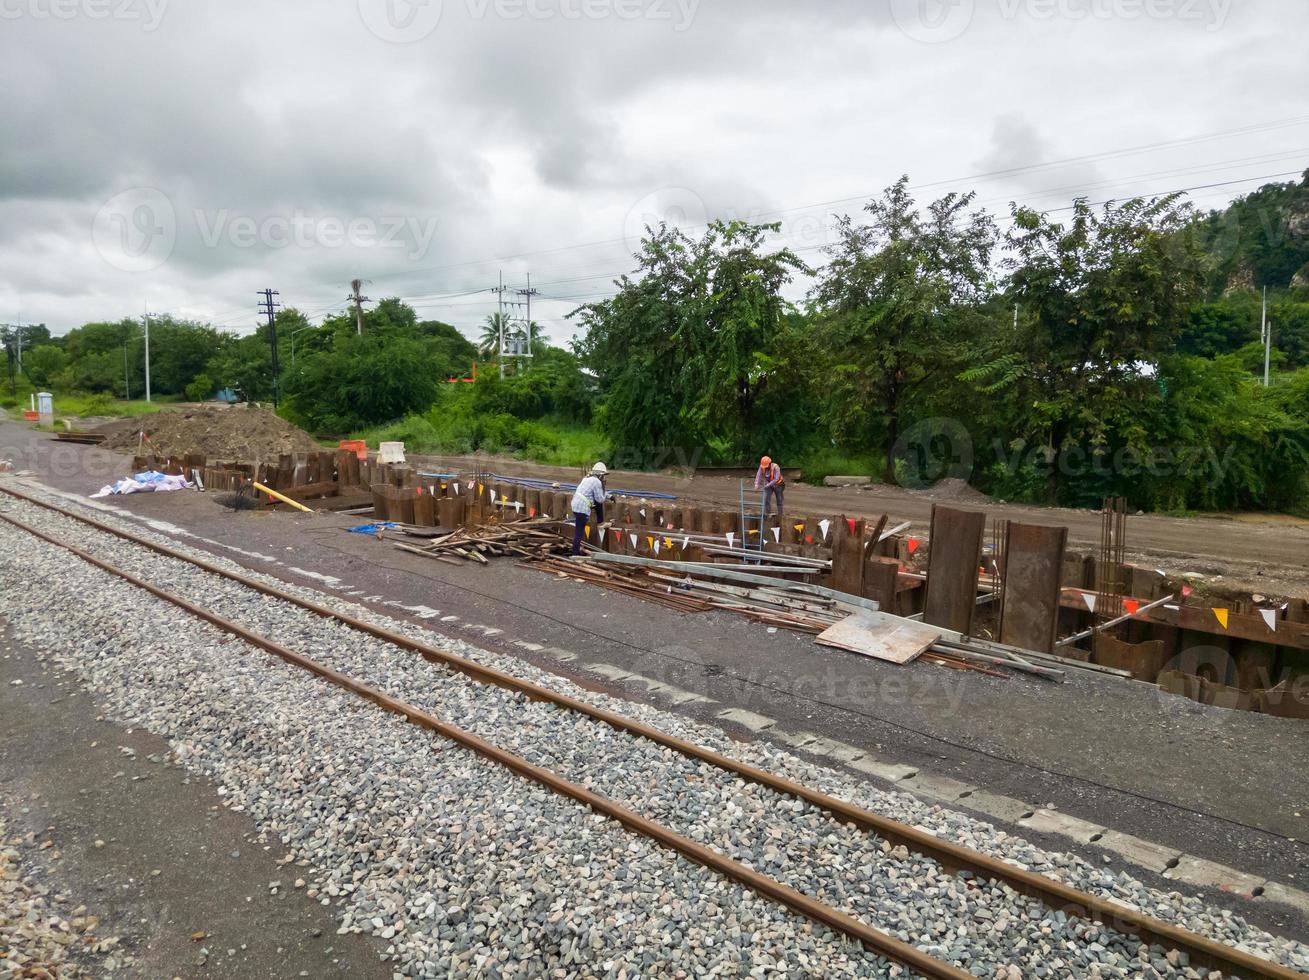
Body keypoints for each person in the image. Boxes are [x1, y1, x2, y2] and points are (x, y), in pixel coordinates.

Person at [571, 462, 608, 555]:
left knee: (578, 529)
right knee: (579, 532)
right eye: (603, 476)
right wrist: (604, 488)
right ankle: (575, 553)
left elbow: (593, 493)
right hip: (582, 508)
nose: (604, 478)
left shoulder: (586, 478)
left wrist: (609, 496)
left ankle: (600, 522)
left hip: (576, 504)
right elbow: (600, 499)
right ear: (600, 475)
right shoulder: (597, 482)